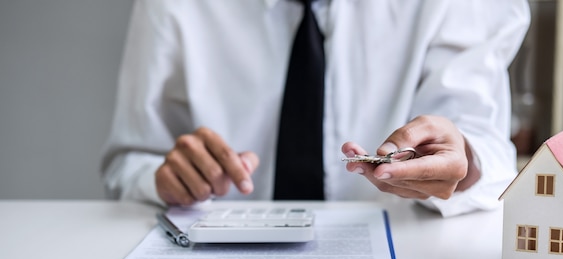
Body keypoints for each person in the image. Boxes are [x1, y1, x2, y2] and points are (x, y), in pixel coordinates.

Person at [101, 0, 530, 217]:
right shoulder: (171, 8)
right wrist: (163, 179)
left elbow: (487, 149)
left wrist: (464, 163)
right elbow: (130, 162)